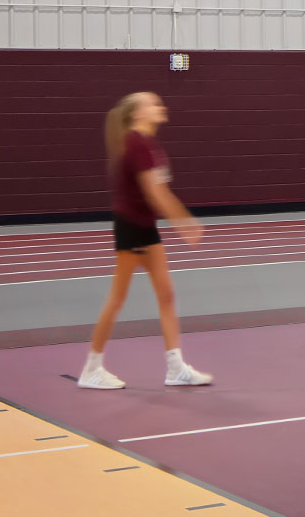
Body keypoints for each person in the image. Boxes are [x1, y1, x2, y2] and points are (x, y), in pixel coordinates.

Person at [79, 92, 213, 389]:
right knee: (117, 299)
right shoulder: (136, 143)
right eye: (153, 103)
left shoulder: (146, 143)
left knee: (166, 295)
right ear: (138, 113)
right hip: (133, 227)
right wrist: (184, 221)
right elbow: (155, 193)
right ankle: (91, 369)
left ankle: (175, 368)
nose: (160, 107)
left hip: (145, 227)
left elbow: (155, 190)